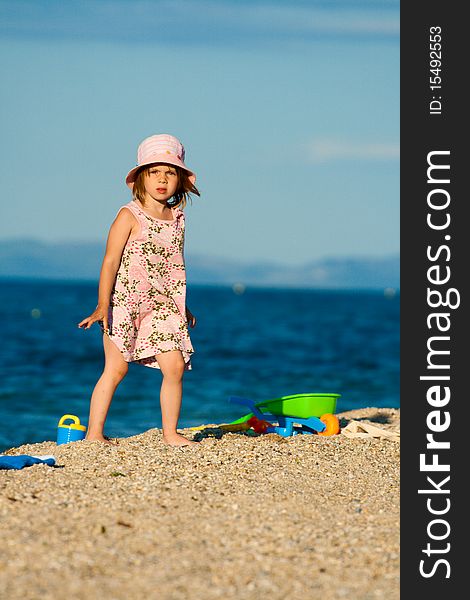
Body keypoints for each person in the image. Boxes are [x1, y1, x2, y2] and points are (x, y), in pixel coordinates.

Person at [78, 134, 200, 447]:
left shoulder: (177, 220)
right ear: (141, 178)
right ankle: (93, 434)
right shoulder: (129, 215)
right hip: (125, 303)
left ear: (180, 181)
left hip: (162, 306)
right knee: (116, 369)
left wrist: (181, 306)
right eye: (155, 172)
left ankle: (170, 434)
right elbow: (109, 261)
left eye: (170, 172)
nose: (162, 179)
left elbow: (174, 265)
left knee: (173, 367)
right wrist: (102, 304)